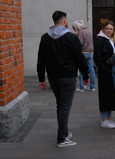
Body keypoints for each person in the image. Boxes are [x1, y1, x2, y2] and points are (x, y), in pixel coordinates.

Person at [37, 10, 89, 147]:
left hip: (53, 78)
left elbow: (40, 60)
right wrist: (86, 75)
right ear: (64, 21)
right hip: (68, 77)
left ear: (54, 21)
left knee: (60, 105)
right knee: (65, 107)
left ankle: (64, 132)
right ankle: (62, 138)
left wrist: (41, 79)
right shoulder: (71, 38)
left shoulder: (45, 38)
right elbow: (80, 58)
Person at [93, 21, 115, 129]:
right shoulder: (100, 41)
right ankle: (104, 119)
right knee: (105, 95)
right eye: (107, 28)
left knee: (111, 95)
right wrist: (106, 69)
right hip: (106, 72)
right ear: (103, 29)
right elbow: (97, 58)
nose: (109, 31)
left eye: (111, 29)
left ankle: (108, 118)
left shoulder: (111, 41)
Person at [72, 20, 96, 93]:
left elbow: (80, 43)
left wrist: (76, 37)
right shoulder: (88, 31)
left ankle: (82, 87)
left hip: (83, 52)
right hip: (90, 52)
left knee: (82, 69)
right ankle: (92, 86)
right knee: (91, 69)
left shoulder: (81, 32)